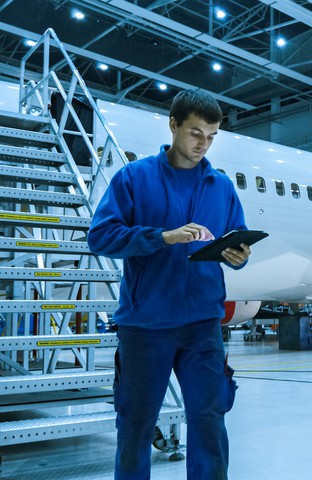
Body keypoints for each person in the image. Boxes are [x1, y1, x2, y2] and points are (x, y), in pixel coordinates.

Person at [88, 89, 251, 480]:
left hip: (203, 326)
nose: (203, 144)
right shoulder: (133, 178)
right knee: (136, 426)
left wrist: (240, 255)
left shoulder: (221, 187)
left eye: (212, 136)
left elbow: (238, 237)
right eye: (196, 133)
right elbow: (101, 237)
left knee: (210, 423)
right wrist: (162, 237)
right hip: (146, 325)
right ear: (174, 125)